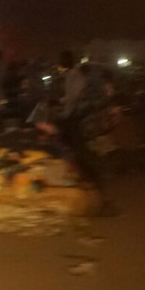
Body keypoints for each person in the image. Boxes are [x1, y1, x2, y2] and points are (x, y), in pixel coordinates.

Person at [57, 50, 117, 216]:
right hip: (93, 125)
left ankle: (99, 202)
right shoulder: (86, 76)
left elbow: (72, 100)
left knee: (86, 161)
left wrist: (63, 116)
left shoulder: (72, 76)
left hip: (82, 125)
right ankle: (101, 201)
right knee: (92, 161)